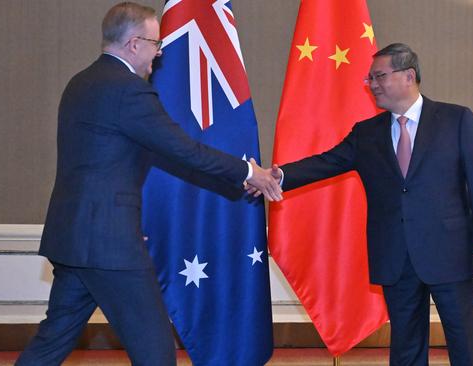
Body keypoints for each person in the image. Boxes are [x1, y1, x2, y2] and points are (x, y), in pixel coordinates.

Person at [15, 2, 281, 365]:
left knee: (52, 341)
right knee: (155, 351)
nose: (160, 53)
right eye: (157, 44)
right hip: (109, 245)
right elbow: (185, 150)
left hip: (75, 238)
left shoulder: (80, 83)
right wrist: (250, 172)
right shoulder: (127, 90)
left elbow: (101, 166)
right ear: (134, 43)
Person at [259, 43, 473, 365]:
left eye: (379, 76)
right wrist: (278, 176)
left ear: (408, 76)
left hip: (451, 252)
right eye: (370, 78)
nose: (372, 84)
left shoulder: (455, 119)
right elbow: (326, 163)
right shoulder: (366, 133)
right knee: (406, 347)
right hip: (395, 257)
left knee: (466, 344)